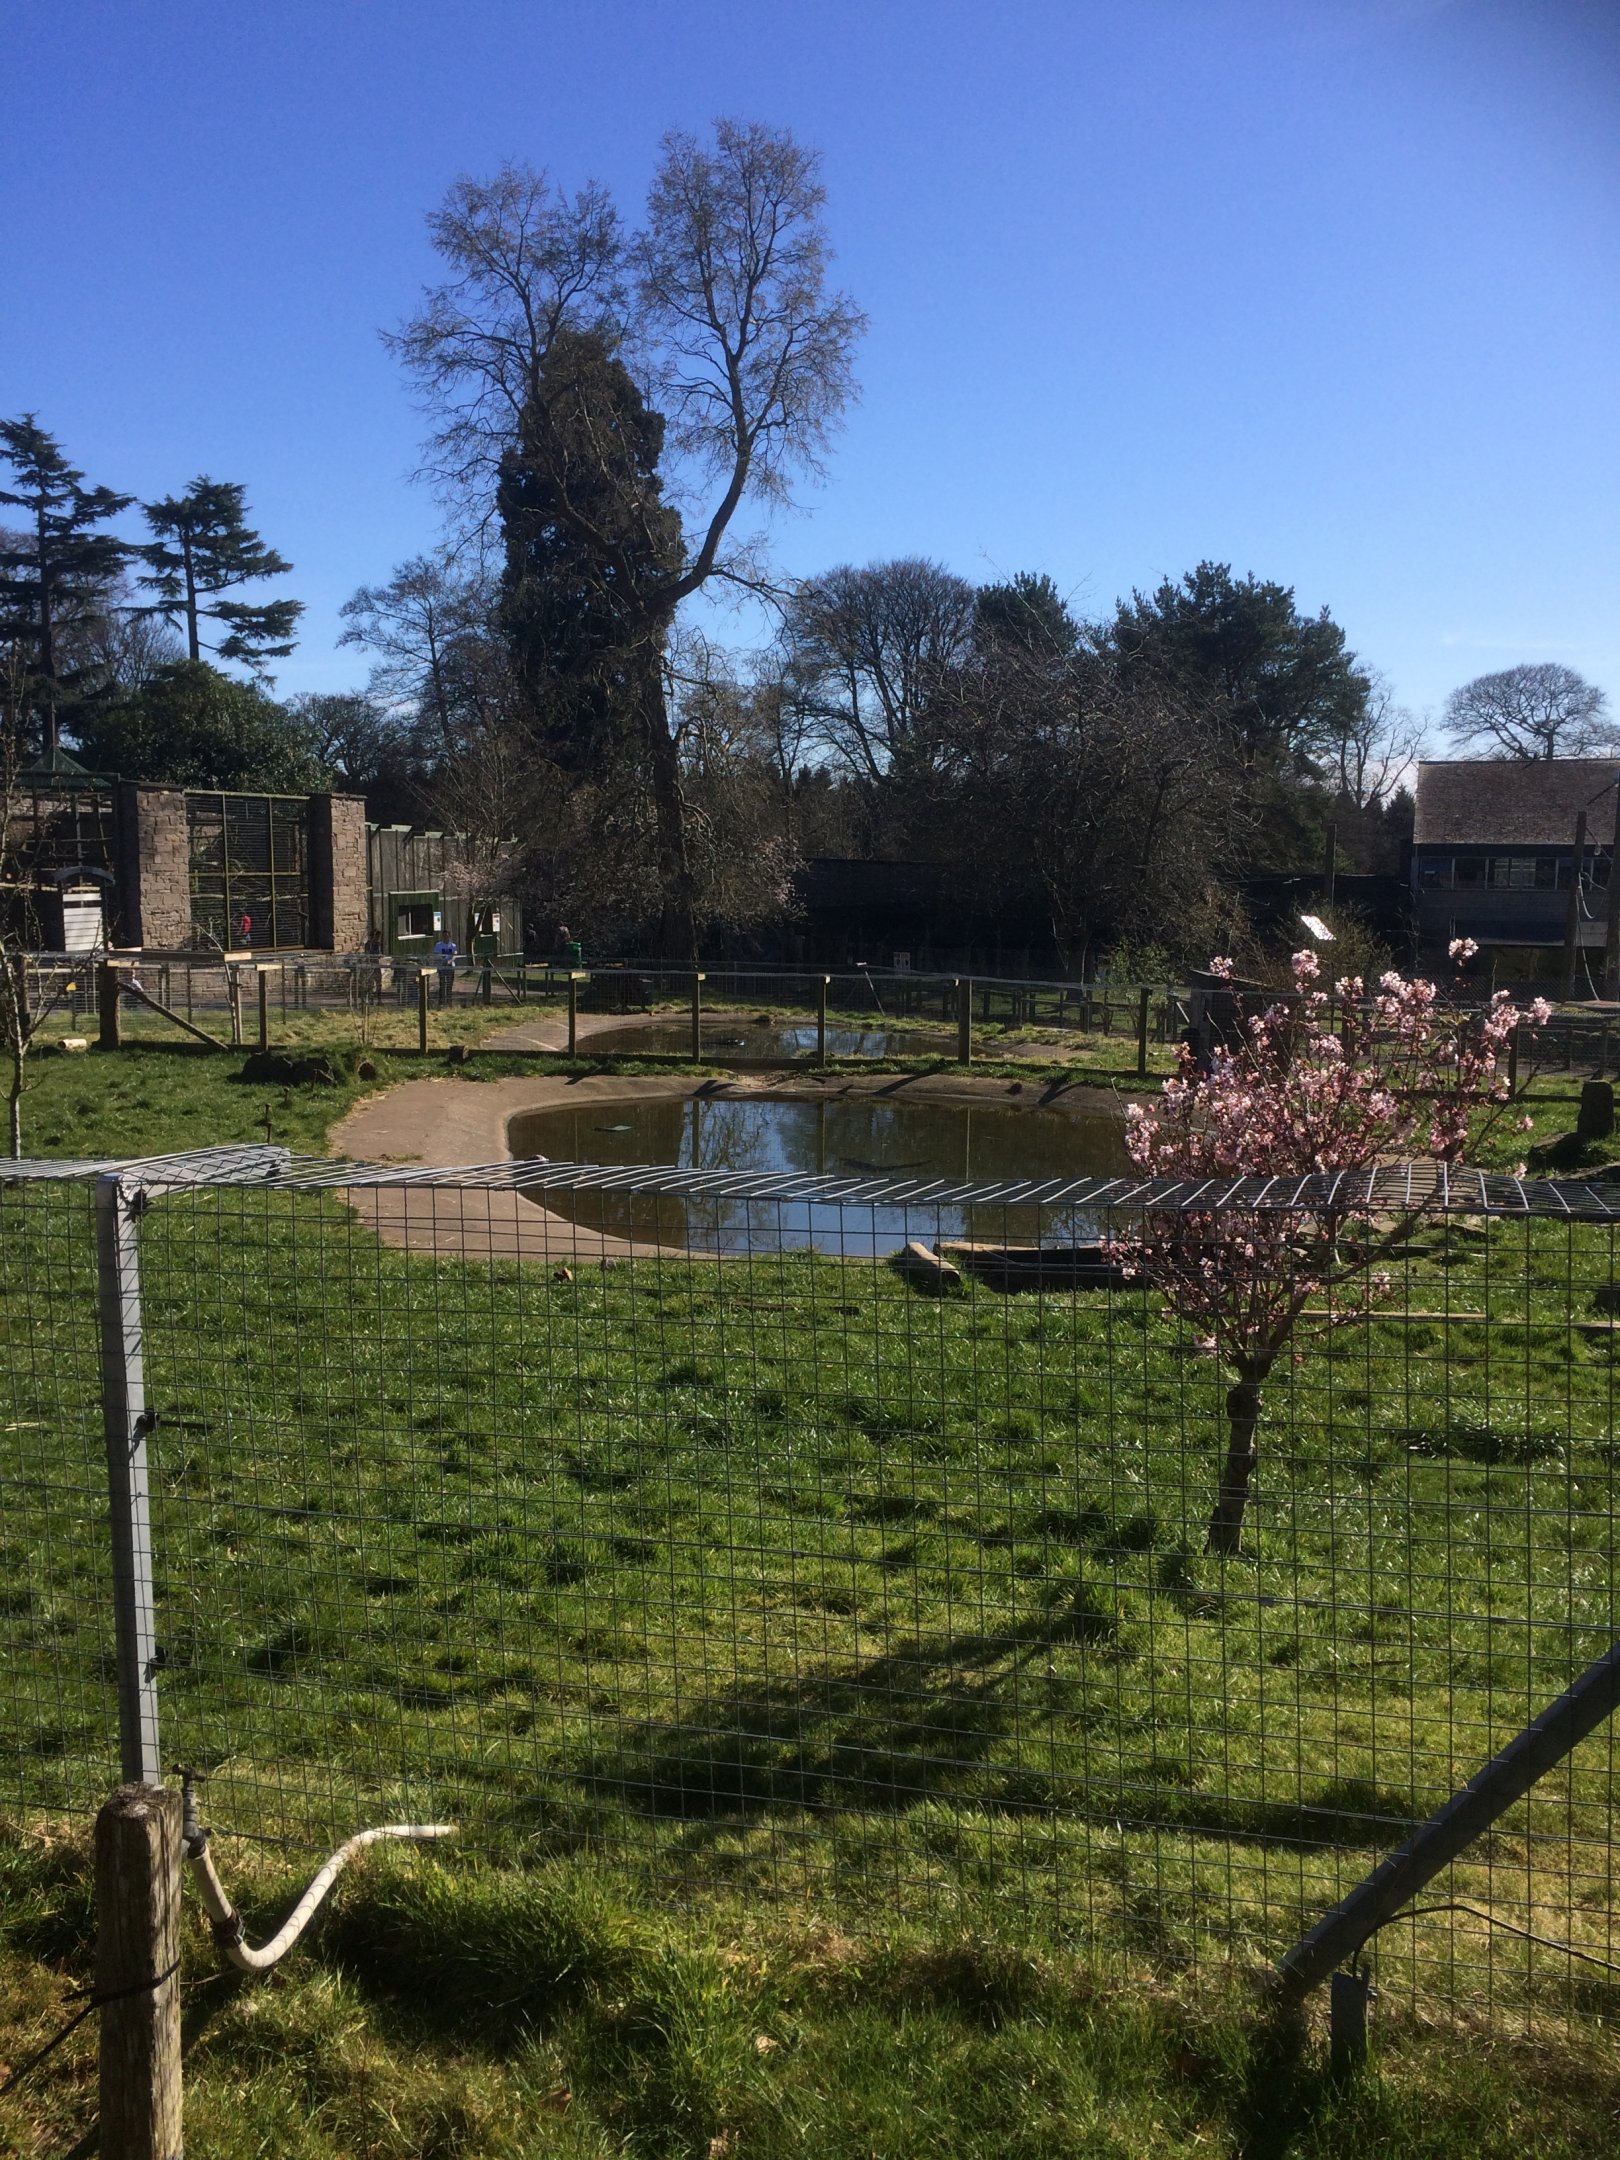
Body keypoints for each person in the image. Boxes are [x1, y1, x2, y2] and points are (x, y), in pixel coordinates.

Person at [434, 934, 458, 1006]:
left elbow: (454, 955)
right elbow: (436, 954)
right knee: (442, 984)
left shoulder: (453, 945)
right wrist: (442, 960)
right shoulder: (438, 945)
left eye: (447, 936)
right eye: (444, 936)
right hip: (442, 967)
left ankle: (449, 1001)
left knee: (449, 985)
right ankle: (441, 1001)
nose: (446, 937)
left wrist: (450, 961)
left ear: (449, 937)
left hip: (450, 967)